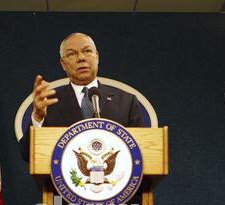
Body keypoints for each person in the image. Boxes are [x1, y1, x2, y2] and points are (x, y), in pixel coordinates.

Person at [20, 32, 142, 161]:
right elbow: (27, 155)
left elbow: (140, 153)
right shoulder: (50, 103)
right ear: (63, 64)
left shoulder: (126, 102)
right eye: (72, 54)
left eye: (87, 51)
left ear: (97, 57)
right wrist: (38, 118)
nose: (81, 58)